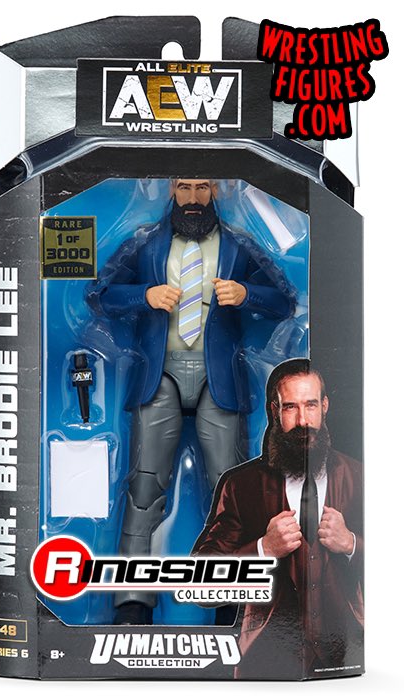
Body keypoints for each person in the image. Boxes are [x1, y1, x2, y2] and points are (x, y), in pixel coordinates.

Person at [87, 179, 296, 624]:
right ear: (171, 190)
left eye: (203, 188)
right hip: (158, 375)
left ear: (216, 190)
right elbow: (99, 295)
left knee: (231, 489)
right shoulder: (145, 243)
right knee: (144, 489)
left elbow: (285, 301)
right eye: (185, 187)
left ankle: (235, 596)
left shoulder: (239, 246)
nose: (195, 198)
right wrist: (144, 295)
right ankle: (132, 601)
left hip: (217, 379)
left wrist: (247, 294)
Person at [192, 359, 363, 678]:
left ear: (325, 406)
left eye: (311, 405)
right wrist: (262, 550)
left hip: (347, 656)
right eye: (290, 407)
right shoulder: (241, 485)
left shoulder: (359, 476)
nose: (303, 420)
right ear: (275, 411)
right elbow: (201, 584)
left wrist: (351, 544)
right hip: (264, 662)